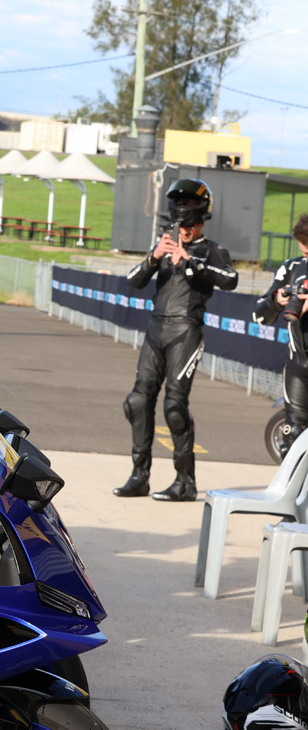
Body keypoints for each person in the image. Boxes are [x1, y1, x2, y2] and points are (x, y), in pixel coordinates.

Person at [114, 178, 238, 502]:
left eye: (189, 225)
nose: (183, 230)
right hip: (156, 329)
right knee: (137, 402)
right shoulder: (163, 245)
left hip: (186, 331)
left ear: (200, 221)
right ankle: (139, 477)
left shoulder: (212, 250)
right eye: (180, 224)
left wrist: (191, 261)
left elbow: (231, 279)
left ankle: (185, 482)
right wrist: (155, 257)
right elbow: (133, 281)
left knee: (175, 408)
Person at [253, 214, 308, 456]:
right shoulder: (292, 267)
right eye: (305, 253)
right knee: (293, 438)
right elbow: (259, 316)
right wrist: (277, 301)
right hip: (299, 366)